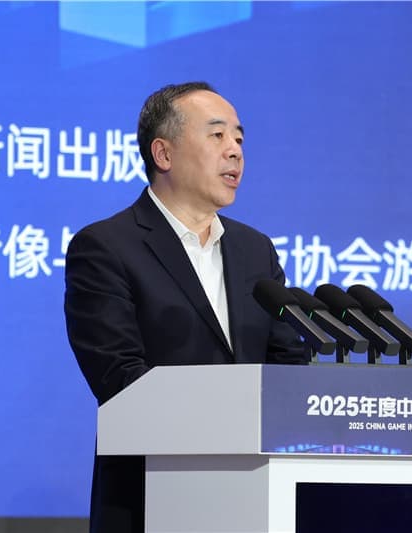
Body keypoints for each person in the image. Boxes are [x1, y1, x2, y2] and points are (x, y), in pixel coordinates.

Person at [64, 82, 307, 533]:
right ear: (163, 154)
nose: (235, 150)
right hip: (153, 499)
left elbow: (287, 367)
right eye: (217, 135)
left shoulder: (255, 250)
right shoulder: (105, 247)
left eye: (239, 138)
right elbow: (120, 381)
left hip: (259, 501)